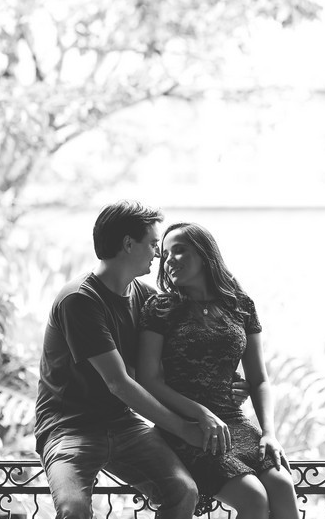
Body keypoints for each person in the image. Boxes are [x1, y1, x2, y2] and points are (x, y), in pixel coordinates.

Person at [35, 201, 229, 519]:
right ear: (128, 244)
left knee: (184, 491)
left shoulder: (146, 297)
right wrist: (185, 429)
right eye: (153, 244)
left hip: (123, 424)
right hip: (69, 427)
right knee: (73, 509)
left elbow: (176, 364)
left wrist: (223, 391)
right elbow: (119, 383)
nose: (159, 254)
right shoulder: (79, 300)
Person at [137, 222, 299, 519]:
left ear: (204, 254)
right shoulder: (160, 307)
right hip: (187, 428)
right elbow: (148, 379)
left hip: (235, 422)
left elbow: (259, 380)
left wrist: (269, 434)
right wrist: (201, 413)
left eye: (179, 250)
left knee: (282, 486)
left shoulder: (241, 305)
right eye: (165, 254)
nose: (169, 260)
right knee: (253, 498)